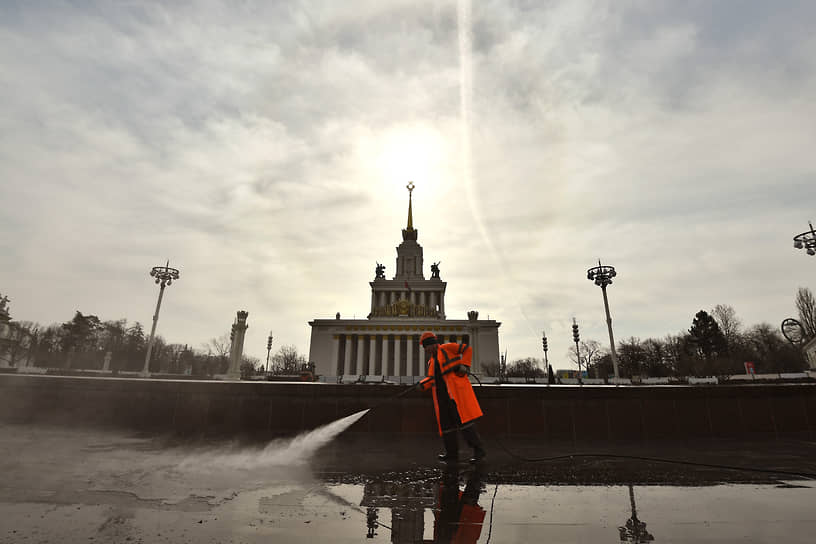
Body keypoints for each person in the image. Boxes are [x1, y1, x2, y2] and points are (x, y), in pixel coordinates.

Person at [418, 331, 487, 464]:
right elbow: (432, 379)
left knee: (464, 423)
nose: (426, 350)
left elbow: (467, 349)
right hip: (441, 397)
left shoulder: (447, 348)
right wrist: (422, 385)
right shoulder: (431, 361)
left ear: (432, 344)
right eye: (424, 347)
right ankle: (452, 453)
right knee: (446, 426)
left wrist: (465, 365)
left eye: (426, 346)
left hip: (454, 394)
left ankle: (479, 451)